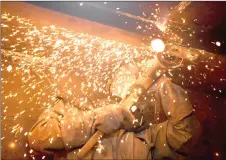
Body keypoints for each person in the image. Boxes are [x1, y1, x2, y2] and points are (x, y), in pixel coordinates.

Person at [28, 55, 201, 160]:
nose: (133, 87)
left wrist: (164, 85)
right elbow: (37, 139)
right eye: (128, 76)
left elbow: (184, 136)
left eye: (137, 80)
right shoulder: (69, 107)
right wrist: (94, 120)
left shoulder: (147, 133)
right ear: (110, 84)